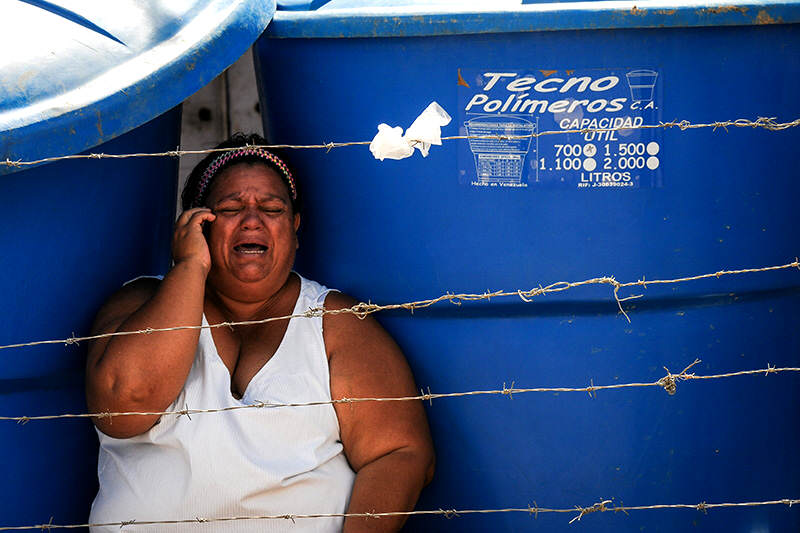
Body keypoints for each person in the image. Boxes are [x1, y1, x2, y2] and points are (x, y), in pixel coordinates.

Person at [85, 134, 434, 532]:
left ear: (295, 228)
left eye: (271, 208)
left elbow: (400, 453)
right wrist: (189, 268)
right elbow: (122, 407)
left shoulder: (336, 324)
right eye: (231, 208)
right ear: (195, 225)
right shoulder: (139, 303)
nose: (252, 219)